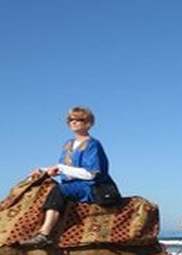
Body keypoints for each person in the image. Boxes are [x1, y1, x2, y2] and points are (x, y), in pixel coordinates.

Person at [20, 106, 116, 247]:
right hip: (72, 185)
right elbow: (63, 168)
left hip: (90, 186)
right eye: (71, 119)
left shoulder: (93, 145)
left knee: (58, 190)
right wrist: (42, 171)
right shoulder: (68, 145)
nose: (74, 122)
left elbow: (91, 173)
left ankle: (45, 234)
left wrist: (60, 168)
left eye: (79, 119)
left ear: (88, 123)